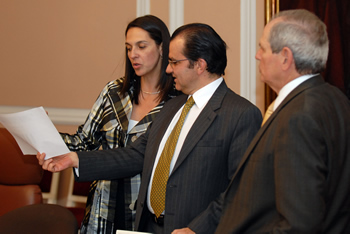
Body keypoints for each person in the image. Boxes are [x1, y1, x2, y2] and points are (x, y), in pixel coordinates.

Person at [38, 23, 262, 233]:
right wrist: (75, 159)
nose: (167, 69)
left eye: (174, 62)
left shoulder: (240, 114)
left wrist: (199, 228)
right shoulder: (174, 106)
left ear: (200, 65)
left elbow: (241, 189)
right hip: (147, 226)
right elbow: (136, 154)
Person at [184, 9, 350, 233]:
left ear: (285, 57)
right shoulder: (335, 99)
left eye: (262, 47)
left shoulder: (298, 117)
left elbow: (298, 225)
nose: (257, 55)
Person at [59, 15, 177, 233]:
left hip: (146, 217)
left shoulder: (177, 102)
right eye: (129, 47)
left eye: (142, 46)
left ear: (162, 48)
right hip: (102, 211)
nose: (133, 54)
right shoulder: (113, 92)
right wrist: (45, 135)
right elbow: (83, 142)